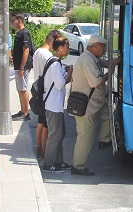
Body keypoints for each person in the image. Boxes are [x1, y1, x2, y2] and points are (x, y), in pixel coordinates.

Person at [70, 34, 118, 176]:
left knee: (108, 114)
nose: (104, 51)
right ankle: (78, 166)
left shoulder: (91, 57)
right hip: (86, 105)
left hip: (95, 102)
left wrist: (115, 61)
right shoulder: (87, 60)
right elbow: (96, 83)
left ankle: (105, 140)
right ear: (95, 46)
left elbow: (105, 62)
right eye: (103, 48)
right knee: (85, 137)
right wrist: (109, 74)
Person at [42, 33, 73, 172]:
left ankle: (59, 161)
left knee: (60, 134)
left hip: (57, 105)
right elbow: (60, 84)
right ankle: (48, 164)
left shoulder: (57, 62)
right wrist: (70, 73)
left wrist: (66, 70)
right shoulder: (55, 64)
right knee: (55, 135)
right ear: (60, 48)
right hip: (52, 105)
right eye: (67, 47)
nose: (68, 49)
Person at [32, 29, 61, 160]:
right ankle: (44, 153)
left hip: (38, 89)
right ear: (54, 39)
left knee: (40, 122)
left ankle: (39, 150)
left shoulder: (38, 51)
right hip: (46, 93)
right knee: (46, 126)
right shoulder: (47, 55)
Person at [10, 13, 34, 121]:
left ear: (19, 20)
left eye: (13, 20)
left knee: (23, 89)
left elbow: (26, 50)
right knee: (20, 88)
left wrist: (22, 68)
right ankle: (22, 111)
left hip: (23, 66)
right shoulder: (20, 33)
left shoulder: (24, 33)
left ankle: (25, 112)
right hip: (18, 66)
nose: (11, 23)